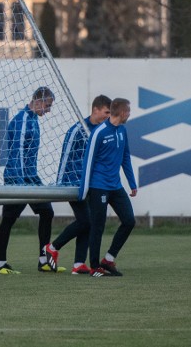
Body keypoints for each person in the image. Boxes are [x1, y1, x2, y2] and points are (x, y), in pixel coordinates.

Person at [42, 95, 112, 276]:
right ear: (95, 109)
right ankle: (52, 247)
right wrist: (62, 183)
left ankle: (79, 264)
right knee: (86, 220)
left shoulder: (101, 131)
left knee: (87, 222)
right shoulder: (78, 130)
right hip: (73, 183)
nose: (108, 116)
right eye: (106, 112)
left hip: (90, 184)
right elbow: (66, 156)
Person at [0, 86, 58, 275]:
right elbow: (17, 155)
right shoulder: (22, 120)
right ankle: (0, 264)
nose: (48, 110)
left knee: (47, 212)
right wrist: (22, 184)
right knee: (8, 220)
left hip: (30, 177)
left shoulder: (32, 119)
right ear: (37, 102)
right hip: (17, 178)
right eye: (47, 106)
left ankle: (43, 261)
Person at [79, 97, 138, 277]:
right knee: (98, 225)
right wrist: (84, 191)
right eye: (128, 111)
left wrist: (132, 183)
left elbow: (125, 157)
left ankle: (109, 259)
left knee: (129, 221)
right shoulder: (99, 132)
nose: (129, 114)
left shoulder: (122, 131)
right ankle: (95, 266)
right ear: (120, 112)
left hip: (115, 186)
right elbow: (88, 161)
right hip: (98, 186)